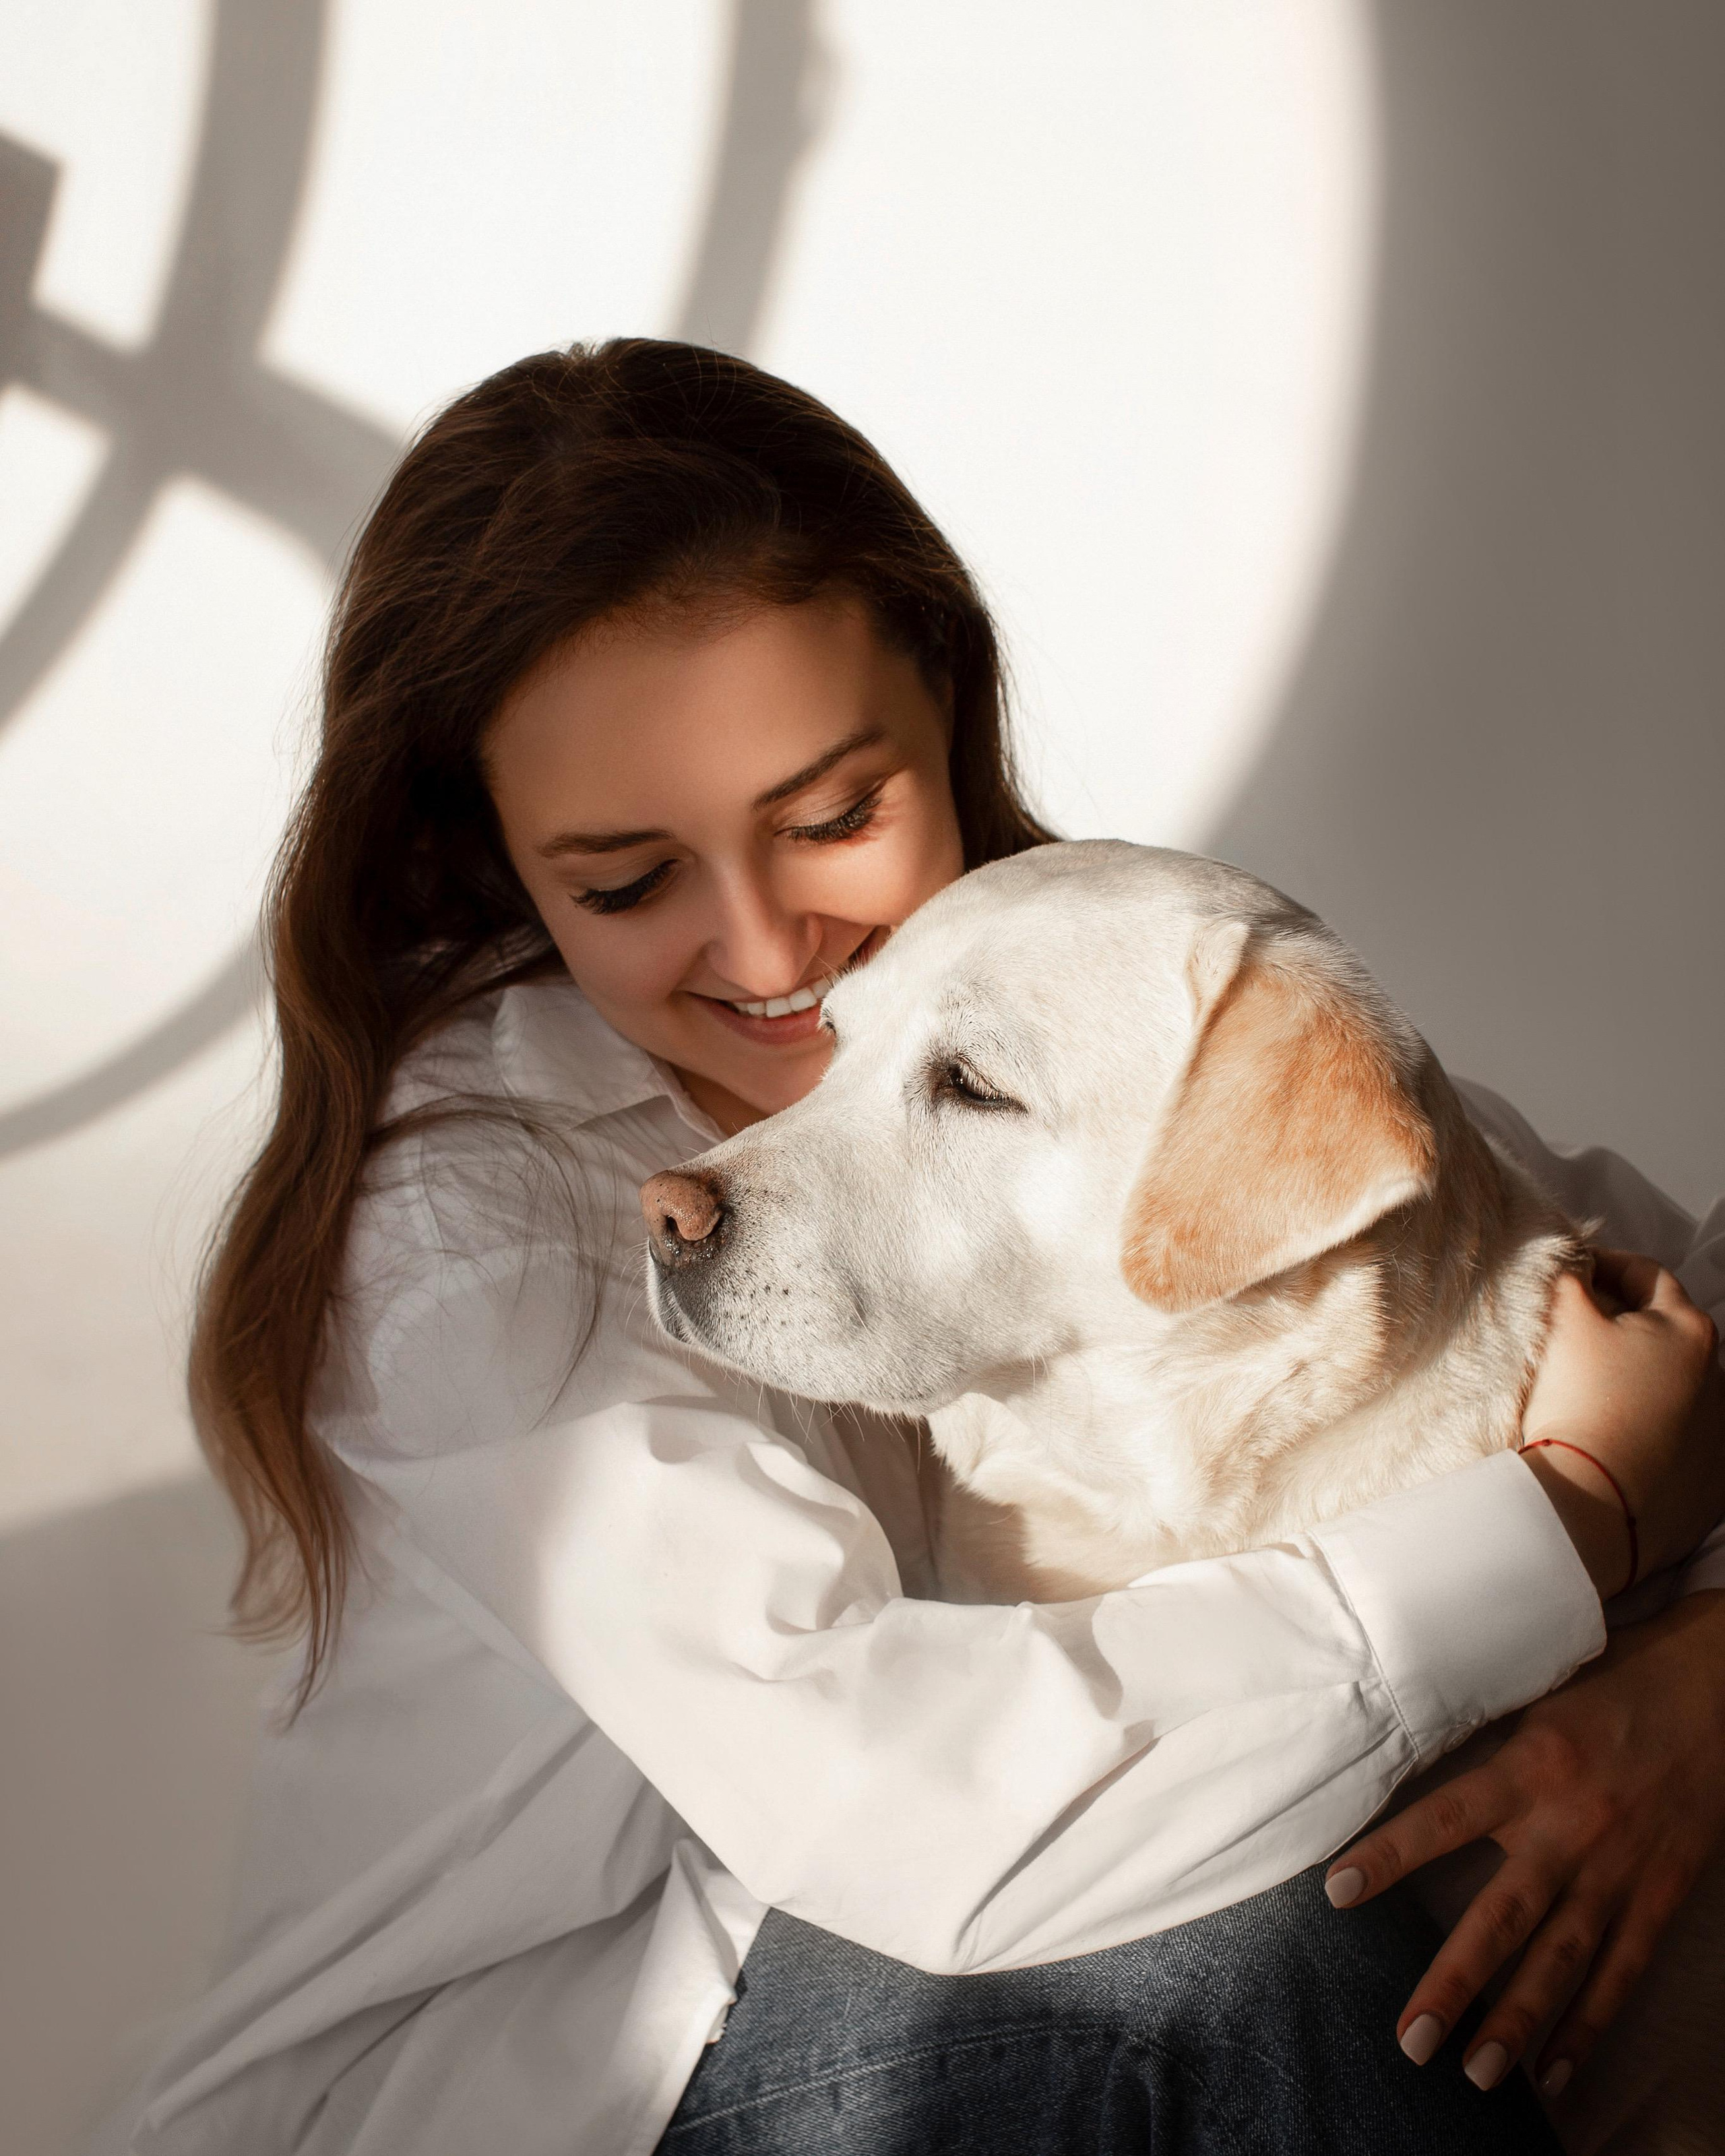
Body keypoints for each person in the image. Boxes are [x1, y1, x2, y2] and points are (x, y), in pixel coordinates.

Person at [97, 342, 1725, 2156]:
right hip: (571, 2091)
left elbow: (1574, 1248)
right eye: (626, 884)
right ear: (490, 857)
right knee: (1229, 1950)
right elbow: (906, 1817)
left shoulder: (1119, 991)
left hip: (887, 1981)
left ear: (943, 697)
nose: (772, 949)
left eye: (831, 817)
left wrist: (1705, 1674)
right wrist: (1579, 1514)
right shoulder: (471, 1238)